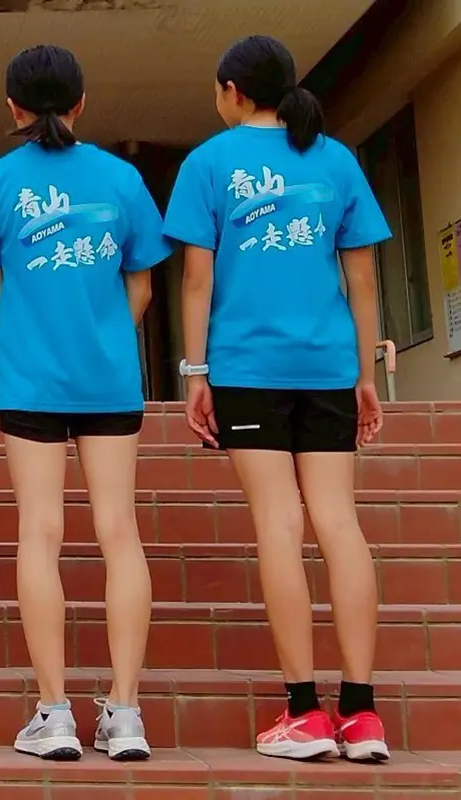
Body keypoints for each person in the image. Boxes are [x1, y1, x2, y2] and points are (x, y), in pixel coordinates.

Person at [163, 35, 391, 762]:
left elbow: (196, 281)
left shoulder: (208, 164)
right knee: (339, 522)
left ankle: (304, 713)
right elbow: (363, 279)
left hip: (248, 368)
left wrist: (195, 373)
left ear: (233, 90)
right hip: (328, 367)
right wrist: (365, 373)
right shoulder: (336, 159)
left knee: (278, 523)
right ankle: (363, 714)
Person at [0, 45, 170, 761]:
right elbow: (142, 285)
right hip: (110, 377)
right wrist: (104, 336)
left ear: (12, 107)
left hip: (31, 380)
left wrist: (34, 340)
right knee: (120, 532)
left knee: (39, 533)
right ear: (81, 103)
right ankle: (126, 713)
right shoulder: (123, 178)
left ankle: (54, 715)